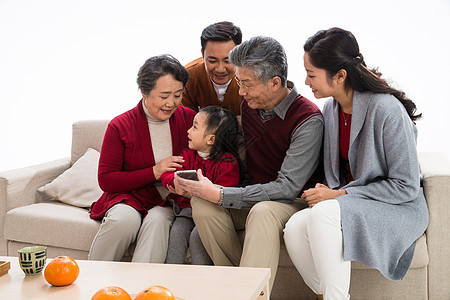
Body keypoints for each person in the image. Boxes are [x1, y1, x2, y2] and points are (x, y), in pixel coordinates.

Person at [283, 27, 429, 299]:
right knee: (293, 228)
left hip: (397, 207)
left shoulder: (387, 110)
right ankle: (332, 295)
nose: (305, 81)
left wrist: (339, 194)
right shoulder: (331, 108)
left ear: (340, 76)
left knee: (324, 213)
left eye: (312, 74)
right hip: (355, 202)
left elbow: (406, 186)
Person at [175, 36, 324, 292]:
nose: (241, 92)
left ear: (275, 82)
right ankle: (242, 288)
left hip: (294, 202)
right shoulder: (250, 105)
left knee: (263, 212)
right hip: (255, 197)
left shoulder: (308, 120)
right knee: (202, 201)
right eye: (239, 83)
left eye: (247, 84)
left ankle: (243, 290)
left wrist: (222, 194)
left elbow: (287, 188)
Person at [88, 55, 196, 263]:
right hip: (129, 197)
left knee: (159, 221)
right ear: (144, 92)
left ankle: (143, 291)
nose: (171, 103)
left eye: (177, 95)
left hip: (169, 202)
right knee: (122, 220)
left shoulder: (190, 119)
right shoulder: (119, 126)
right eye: (164, 95)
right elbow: (107, 180)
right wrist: (154, 172)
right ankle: (93, 285)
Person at [161, 106, 242, 265]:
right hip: (185, 211)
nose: (188, 131)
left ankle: (202, 279)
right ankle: (170, 277)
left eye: (195, 127)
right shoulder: (187, 155)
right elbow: (168, 174)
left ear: (211, 139)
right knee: (177, 233)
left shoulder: (228, 163)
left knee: (198, 237)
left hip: (211, 215)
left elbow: (224, 193)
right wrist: (175, 182)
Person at [182, 21, 243, 116]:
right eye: (212, 61)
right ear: (202, 54)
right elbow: (185, 119)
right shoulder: (187, 77)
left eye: (228, 61)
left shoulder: (254, 76)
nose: (220, 69)